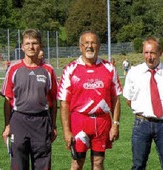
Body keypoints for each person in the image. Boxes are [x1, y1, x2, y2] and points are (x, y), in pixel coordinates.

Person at [58, 31, 122, 170]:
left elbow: (115, 98)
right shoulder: (70, 69)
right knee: (77, 163)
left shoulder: (109, 68)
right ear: (80, 46)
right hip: (79, 121)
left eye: (93, 43)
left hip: (102, 122)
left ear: (98, 46)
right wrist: (66, 131)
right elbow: (64, 103)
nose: (89, 46)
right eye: (86, 43)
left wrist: (115, 124)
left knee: (98, 163)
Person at [124, 37, 163, 169]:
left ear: (160, 53)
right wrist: (145, 111)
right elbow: (128, 100)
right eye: (146, 53)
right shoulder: (134, 73)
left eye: (152, 53)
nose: (149, 56)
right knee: (138, 165)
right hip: (141, 124)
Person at [0, 29, 58, 169]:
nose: (31, 47)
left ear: (40, 46)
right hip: (19, 120)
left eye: (34, 43)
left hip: (41, 121)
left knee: (43, 163)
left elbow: (54, 101)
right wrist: (7, 125)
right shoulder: (14, 69)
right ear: (22, 46)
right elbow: (8, 100)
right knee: (19, 164)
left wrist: (53, 125)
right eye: (27, 43)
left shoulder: (48, 70)